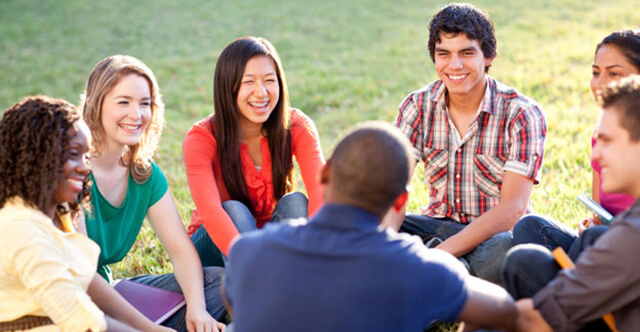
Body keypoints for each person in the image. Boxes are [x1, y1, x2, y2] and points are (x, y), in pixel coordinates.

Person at [223, 121, 518, 332]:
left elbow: (237, 308)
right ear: (401, 200)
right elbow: (505, 310)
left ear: (324, 174)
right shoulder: (422, 269)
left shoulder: (247, 251)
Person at [394, 3, 546, 283]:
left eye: (467, 53)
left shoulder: (522, 114)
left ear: (488, 56)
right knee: (372, 226)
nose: (455, 65)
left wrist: (441, 253)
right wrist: (383, 245)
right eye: (444, 54)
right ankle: (446, 278)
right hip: (437, 226)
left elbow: (512, 210)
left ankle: (431, 275)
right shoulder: (417, 106)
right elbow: (392, 189)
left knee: (510, 254)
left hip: (494, 235)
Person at [79, 55, 226, 332]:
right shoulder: (72, 170)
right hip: (70, 299)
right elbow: (83, 274)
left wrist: (197, 309)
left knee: (220, 285)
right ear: (93, 104)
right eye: (123, 102)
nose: (136, 115)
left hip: (112, 294)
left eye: (144, 103)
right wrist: (148, 328)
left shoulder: (144, 174)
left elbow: (181, 251)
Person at [0, 96, 168, 331]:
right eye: (72, 154)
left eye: (86, 156)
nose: (84, 167)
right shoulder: (23, 229)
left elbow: (86, 292)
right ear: (35, 155)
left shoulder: (53, 218)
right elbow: (84, 322)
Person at [503, 76, 640, 332]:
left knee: (522, 267)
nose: (594, 155)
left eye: (607, 141)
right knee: (589, 236)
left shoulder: (633, 234)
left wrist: (465, 301)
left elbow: (537, 318)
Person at [183, 36, 325, 266]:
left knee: (296, 203)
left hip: (269, 240)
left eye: (270, 80)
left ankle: (299, 283)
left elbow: (321, 193)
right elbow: (211, 214)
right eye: (248, 82)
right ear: (227, 86)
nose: (261, 92)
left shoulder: (296, 126)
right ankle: (256, 289)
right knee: (233, 210)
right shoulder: (201, 138)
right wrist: (254, 264)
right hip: (217, 245)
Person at [512, 30, 640, 259]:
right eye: (595, 73)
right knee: (530, 227)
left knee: (595, 237)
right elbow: (600, 211)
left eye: (614, 74)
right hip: (605, 246)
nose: (599, 84)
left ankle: (570, 280)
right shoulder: (600, 134)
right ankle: (574, 278)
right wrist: (592, 224)